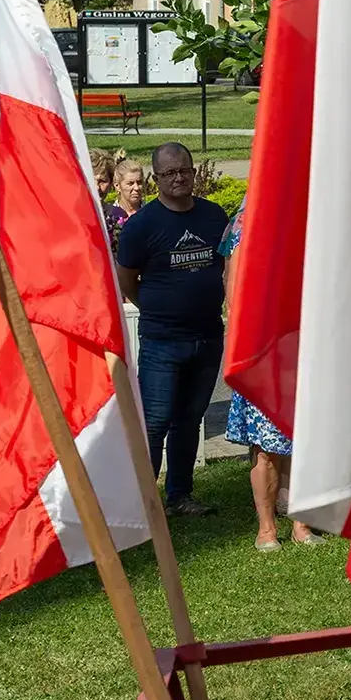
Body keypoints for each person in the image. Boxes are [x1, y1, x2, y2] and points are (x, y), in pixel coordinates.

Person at [117, 143, 229, 516]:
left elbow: (228, 265)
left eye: (184, 170)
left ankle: (179, 496)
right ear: (156, 179)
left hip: (208, 336)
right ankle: (143, 503)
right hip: (162, 341)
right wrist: (157, 308)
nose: (179, 178)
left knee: (188, 420)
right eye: (169, 173)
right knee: (155, 422)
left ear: (193, 172)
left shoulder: (214, 217)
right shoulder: (142, 226)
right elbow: (127, 281)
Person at [219, 210, 326, 550]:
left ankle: (302, 525)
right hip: (263, 353)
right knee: (267, 446)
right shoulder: (244, 226)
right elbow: (234, 298)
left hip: (305, 348)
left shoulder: (310, 222)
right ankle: (266, 529)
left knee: (305, 439)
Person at [107, 158, 148, 247]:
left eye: (139, 182)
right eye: (130, 183)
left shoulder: (151, 214)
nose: (136, 188)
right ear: (117, 186)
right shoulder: (109, 218)